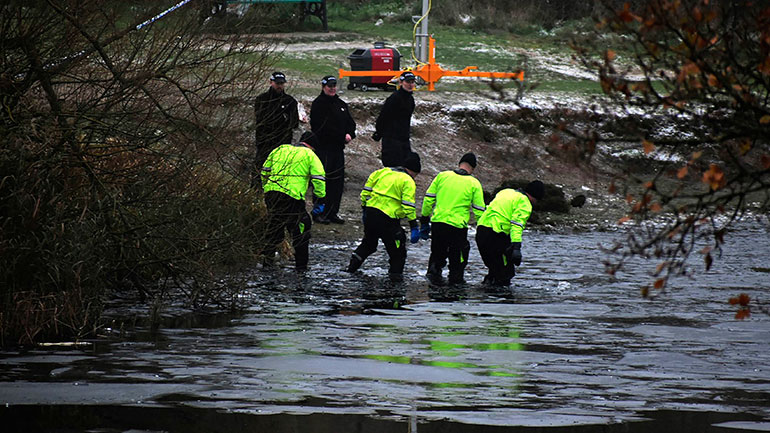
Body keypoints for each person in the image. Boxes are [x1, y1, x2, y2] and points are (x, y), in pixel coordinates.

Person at [344, 152, 422, 282]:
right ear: (414, 172)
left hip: (371, 213)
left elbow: (365, 193)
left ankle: (350, 270)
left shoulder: (381, 172)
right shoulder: (407, 180)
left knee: (368, 244)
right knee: (398, 253)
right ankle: (395, 285)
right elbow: (408, 205)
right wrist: (413, 224)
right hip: (388, 219)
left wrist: (365, 209)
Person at [261, 131, 326, 272]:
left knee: (274, 226)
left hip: (272, 194)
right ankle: (301, 268)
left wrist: (266, 187)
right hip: (292, 197)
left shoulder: (280, 149)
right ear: (312, 147)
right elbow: (319, 178)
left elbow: (265, 170)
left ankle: (267, 263)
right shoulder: (310, 155)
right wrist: (320, 198)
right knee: (302, 229)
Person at [420, 153, 486, 285]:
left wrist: (424, 219)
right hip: (457, 227)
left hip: (438, 223)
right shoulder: (474, 183)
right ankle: (455, 293)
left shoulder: (442, 176)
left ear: (459, 163)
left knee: (437, 257)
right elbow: (479, 210)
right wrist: (482, 227)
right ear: (473, 168)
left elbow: (428, 199)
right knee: (457, 262)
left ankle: (433, 291)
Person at [475, 180, 545, 286]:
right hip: (496, 235)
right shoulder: (524, 203)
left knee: (494, 269)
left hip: (481, 232)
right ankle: (500, 299)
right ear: (536, 197)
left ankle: (486, 295)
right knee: (505, 274)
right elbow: (517, 225)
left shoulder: (506, 192)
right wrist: (516, 248)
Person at [309, 75, 356, 224]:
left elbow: (351, 123)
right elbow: (320, 128)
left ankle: (332, 212)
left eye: (334, 86)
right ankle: (319, 212)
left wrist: (349, 134)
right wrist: (341, 136)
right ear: (323, 87)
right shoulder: (318, 104)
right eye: (329, 86)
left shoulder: (341, 104)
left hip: (338, 149)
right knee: (323, 182)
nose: (332, 88)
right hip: (324, 149)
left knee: (337, 183)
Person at [253, 71, 300, 189]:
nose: (280, 86)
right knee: (260, 170)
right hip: (265, 142)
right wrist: (281, 119)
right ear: (271, 82)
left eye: (282, 83)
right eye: (277, 83)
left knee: (280, 172)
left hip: (283, 144)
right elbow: (262, 120)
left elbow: (294, 123)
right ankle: (256, 193)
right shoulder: (262, 99)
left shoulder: (290, 101)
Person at [371, 71, 416, 167]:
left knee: (405, 166)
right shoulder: (394, 98)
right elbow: (383, 116)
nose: (410, 85)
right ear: (401, 83)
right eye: (408, 82)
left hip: (404, 138)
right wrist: (379, 132)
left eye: (412, 82)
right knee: (393, 166)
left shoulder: (410, 99)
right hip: (391, 139)